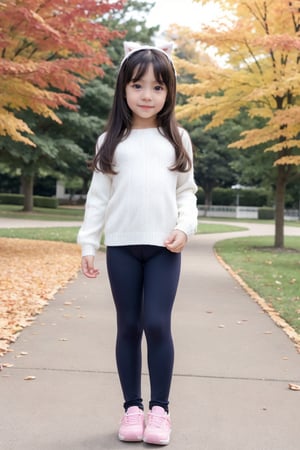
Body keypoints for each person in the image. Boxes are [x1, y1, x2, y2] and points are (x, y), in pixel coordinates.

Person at [77, 41, 198, 446]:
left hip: (165, 248)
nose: (147, 95)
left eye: (157, 87)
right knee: (128, 326)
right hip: (124, 248)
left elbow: (187, 192)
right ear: (123, 90)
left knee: (157, 324)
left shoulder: (177, 138)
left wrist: (185, 228)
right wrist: (88, 244)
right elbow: (98, 198)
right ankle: (132, 407)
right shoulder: (110, 140)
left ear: (169, 93)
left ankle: (160, 410)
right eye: (138, 85)